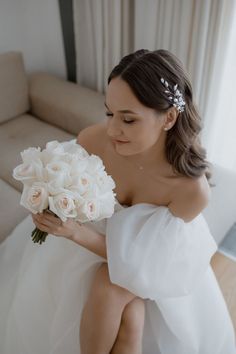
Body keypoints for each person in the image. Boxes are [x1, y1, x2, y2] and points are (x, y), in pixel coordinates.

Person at [0, 49, 235, 354]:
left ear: (169, 117)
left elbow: (144, 263)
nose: (112, 129)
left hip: (157, 261)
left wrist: (74, 232)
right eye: (110, 113)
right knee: (131, 319)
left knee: (107, 285)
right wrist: (53, 207)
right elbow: (67, 190)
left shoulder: (191, 192)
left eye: (128, 119)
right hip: (90, 243)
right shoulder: (93, 141)